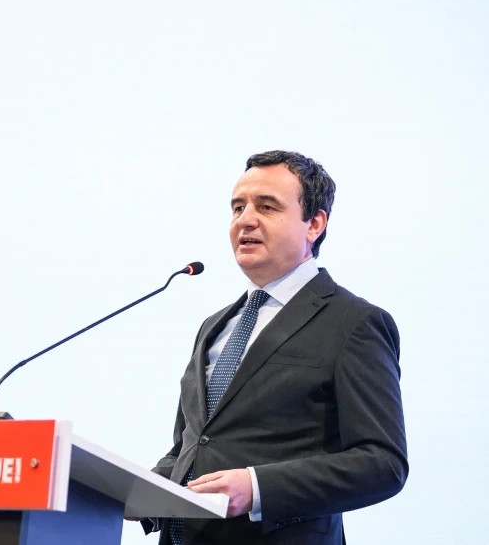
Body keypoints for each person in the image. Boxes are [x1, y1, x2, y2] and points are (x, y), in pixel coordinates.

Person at [144, 150, 408, 544]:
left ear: (314, 224)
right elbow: (192, 446)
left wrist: (257, 488)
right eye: (238, 207)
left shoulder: (354, 323)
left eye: (267, 207)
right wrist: (139, 491)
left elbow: (382, 463)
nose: (245, 220)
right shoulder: (214, 326)